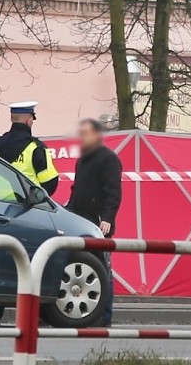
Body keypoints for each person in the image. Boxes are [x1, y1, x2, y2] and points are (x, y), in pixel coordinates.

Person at [66, 118, 122, 327]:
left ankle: (104, 316)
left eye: (86, 133)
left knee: (102, 269)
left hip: (98, 224)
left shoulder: (108, 159)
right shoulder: (83, 160)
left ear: (97, 136)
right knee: (85, 268)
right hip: (79, 222)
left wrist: (107, 218)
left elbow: (113, 192)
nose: (82, 138)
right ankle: (87, 313)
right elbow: (76, 190)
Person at [0, 101, 60, 195]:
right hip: (25, 205)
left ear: (12, 119)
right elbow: (50, 183)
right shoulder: (36, 148)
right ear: (28, 121)